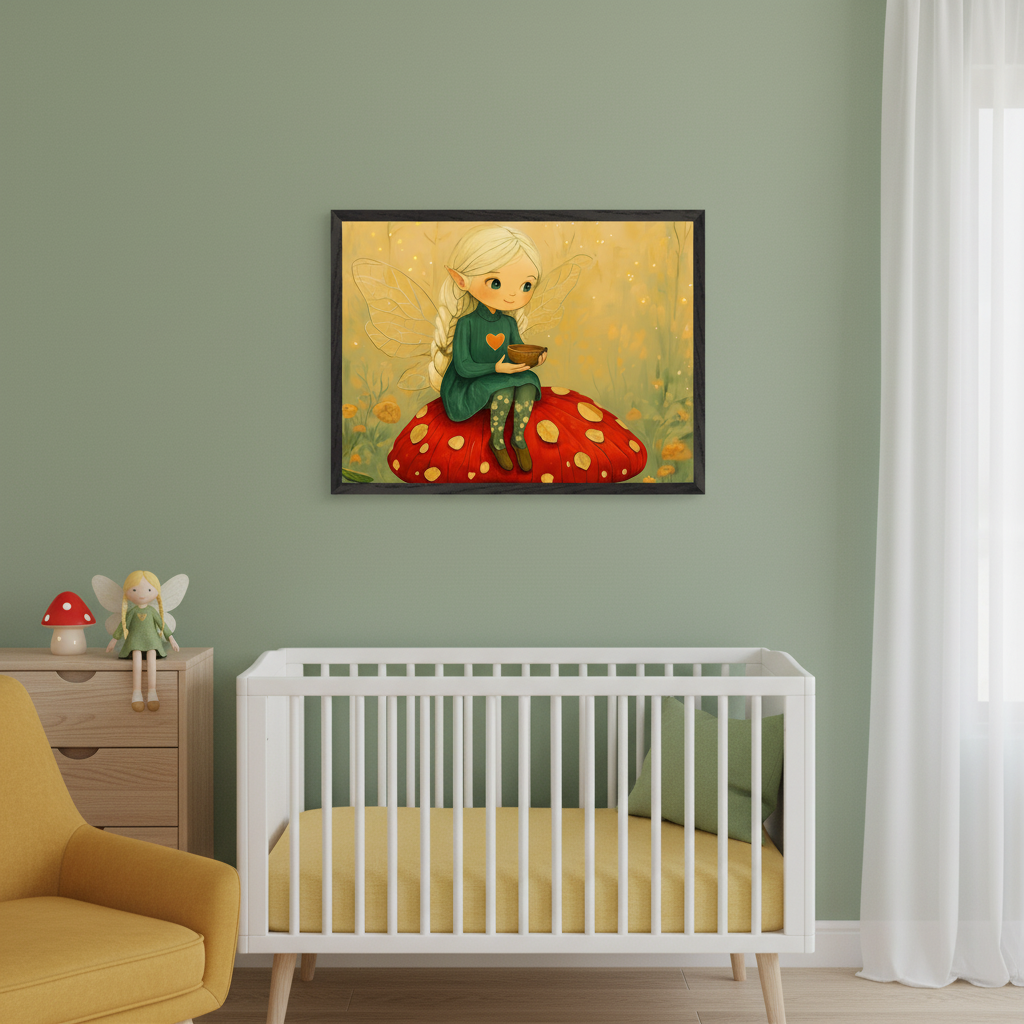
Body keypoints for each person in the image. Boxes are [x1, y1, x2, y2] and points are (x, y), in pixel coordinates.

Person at [436, 225, 547, 472]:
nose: (512, 294)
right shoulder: (467, 323)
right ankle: (497, 442)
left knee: (529, 382)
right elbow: (463, 367)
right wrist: (495, 367)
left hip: (503, 372)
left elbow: (517, 349)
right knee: (505, 389)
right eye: (495, 282)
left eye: (526, 286)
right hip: (469, 382)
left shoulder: (508, 323)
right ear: (462, 280)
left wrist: (534, 358)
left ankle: (519, 438)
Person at [106, 570, 179, 711]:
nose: (141, 594)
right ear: (127, 592)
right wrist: (113, 640)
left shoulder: (152, 612)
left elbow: (163, 625)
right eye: (134, 590)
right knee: (136, 662)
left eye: (149, 590)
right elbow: (123, 626)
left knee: (152, 662)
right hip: (134, 643)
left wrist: (172, 639)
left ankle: (152, 692)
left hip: (152, 643)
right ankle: (136, 693)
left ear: (156, 592)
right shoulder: (131, 612)